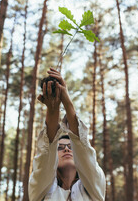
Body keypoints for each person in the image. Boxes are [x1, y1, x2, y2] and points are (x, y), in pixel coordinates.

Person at [28, 68, 106, 201]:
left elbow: (83, 149)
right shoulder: (40, 190)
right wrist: (53, 109)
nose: (66, 149)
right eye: (60, 147)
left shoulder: (95, 187)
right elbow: (46, 156)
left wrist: (66, 99)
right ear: (54, 158)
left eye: (70, 146)